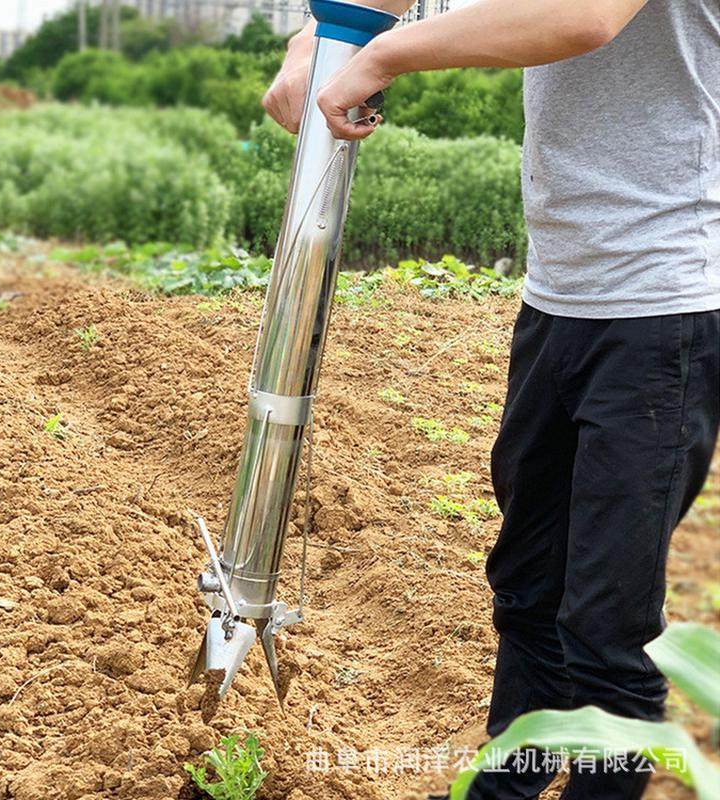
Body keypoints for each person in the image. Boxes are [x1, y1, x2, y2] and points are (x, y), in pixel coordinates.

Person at [262, 0, 720, 798]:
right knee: (529, 594)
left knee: (607, 636)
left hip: (663, 309)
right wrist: (320, 39)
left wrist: (381, 58)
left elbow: (583, 15)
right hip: (560, 299)